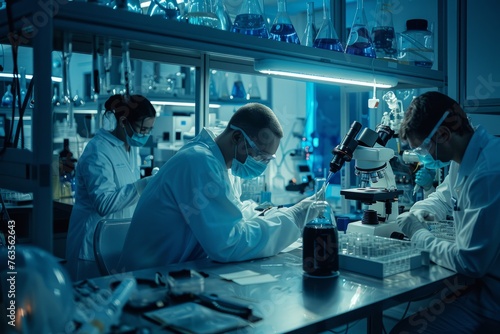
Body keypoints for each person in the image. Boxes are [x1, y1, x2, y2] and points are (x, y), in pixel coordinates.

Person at [118, 103, 316, 272]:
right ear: (237, 138)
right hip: (146, 280)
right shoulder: (199, 162)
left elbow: (233, 212)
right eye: (259, 156)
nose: (261, 164)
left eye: (267, 159)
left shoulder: (221, 162)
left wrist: (273, 213)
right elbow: (228, 244)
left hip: (174, 272)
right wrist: (293, 219)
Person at [390, 91, 500, 333]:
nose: (424, 156)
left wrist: (419, 235)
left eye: (422, 148)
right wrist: (421, 211)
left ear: (443, 134)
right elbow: (443, 197)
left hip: (493, 300)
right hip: (481, 286)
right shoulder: (466, 158)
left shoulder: (490, 171)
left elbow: (470, 262)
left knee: (405, 331)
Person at [66, 94, 156, 281]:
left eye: (149, 130)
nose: (145, 135)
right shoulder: (97, 150)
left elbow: (128, 194)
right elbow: (104, 203)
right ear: (123, 122)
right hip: (90, 246)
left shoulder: (131, 149)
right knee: (89, 303)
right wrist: (144, 184)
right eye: (142, 129)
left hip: (117, 243)